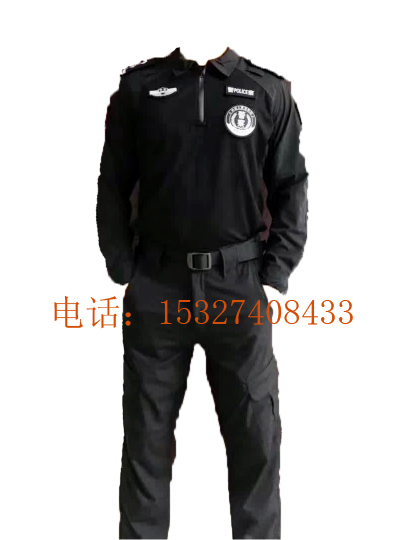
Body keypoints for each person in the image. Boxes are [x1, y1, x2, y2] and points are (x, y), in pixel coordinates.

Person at [96, 46, 308, 539]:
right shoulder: (140, 89)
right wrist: (122, 264)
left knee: (256, 437)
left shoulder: (266, 91)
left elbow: (291, 184)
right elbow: (113, 181)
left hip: (238, 287)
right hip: (157, 285)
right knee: (146, 439)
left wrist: (275, 269)